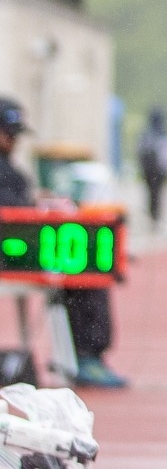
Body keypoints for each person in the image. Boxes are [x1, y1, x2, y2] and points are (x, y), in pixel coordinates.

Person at [0, 98, 126, 388]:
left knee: (86, 260)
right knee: (85, 266)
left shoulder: (13, 171)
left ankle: (85, 353)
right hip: (12, 254)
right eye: (9, 134)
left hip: (24, 249)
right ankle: (86, 355)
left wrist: (40, 202)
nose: (14, 141)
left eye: (17, 134)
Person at [135, 105, 167, 230]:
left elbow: (140, 150)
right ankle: (154, 216)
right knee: (156, 193)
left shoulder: (148, 133)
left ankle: (154, 216)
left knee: (153, 193)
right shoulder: (162, 133)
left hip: (151, 169)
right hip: (157, 170)